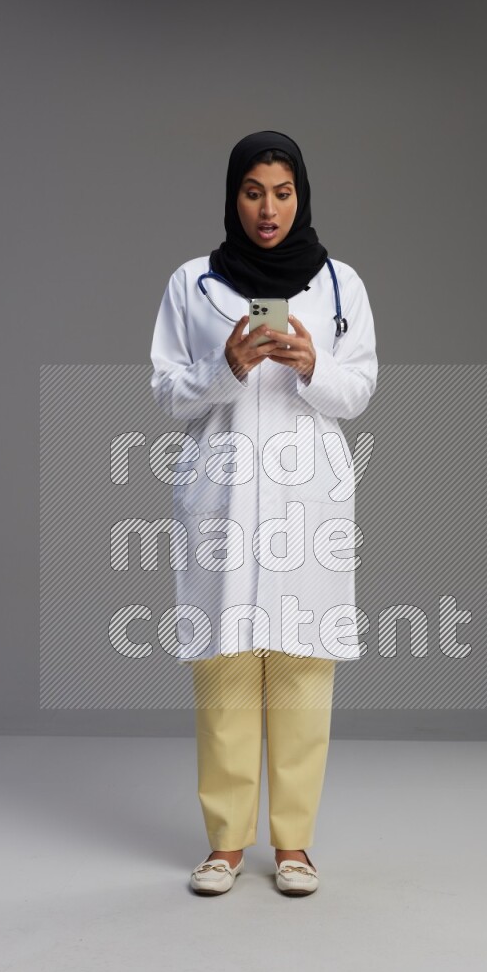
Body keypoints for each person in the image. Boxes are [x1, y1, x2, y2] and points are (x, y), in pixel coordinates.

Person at [149, 131, 378, 896]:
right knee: (223, 668)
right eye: (253, 191)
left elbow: (362, 390)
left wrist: (313, 366)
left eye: (281, 192)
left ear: (301, 195)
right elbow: (167, 391)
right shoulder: (192, 283)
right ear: (232, 196)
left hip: (306, 497)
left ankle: (294, 847)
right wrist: (228, 370)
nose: (268, 208)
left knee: (303, 671)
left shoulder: (339, 284)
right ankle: (223, 844)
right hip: (222, 495)